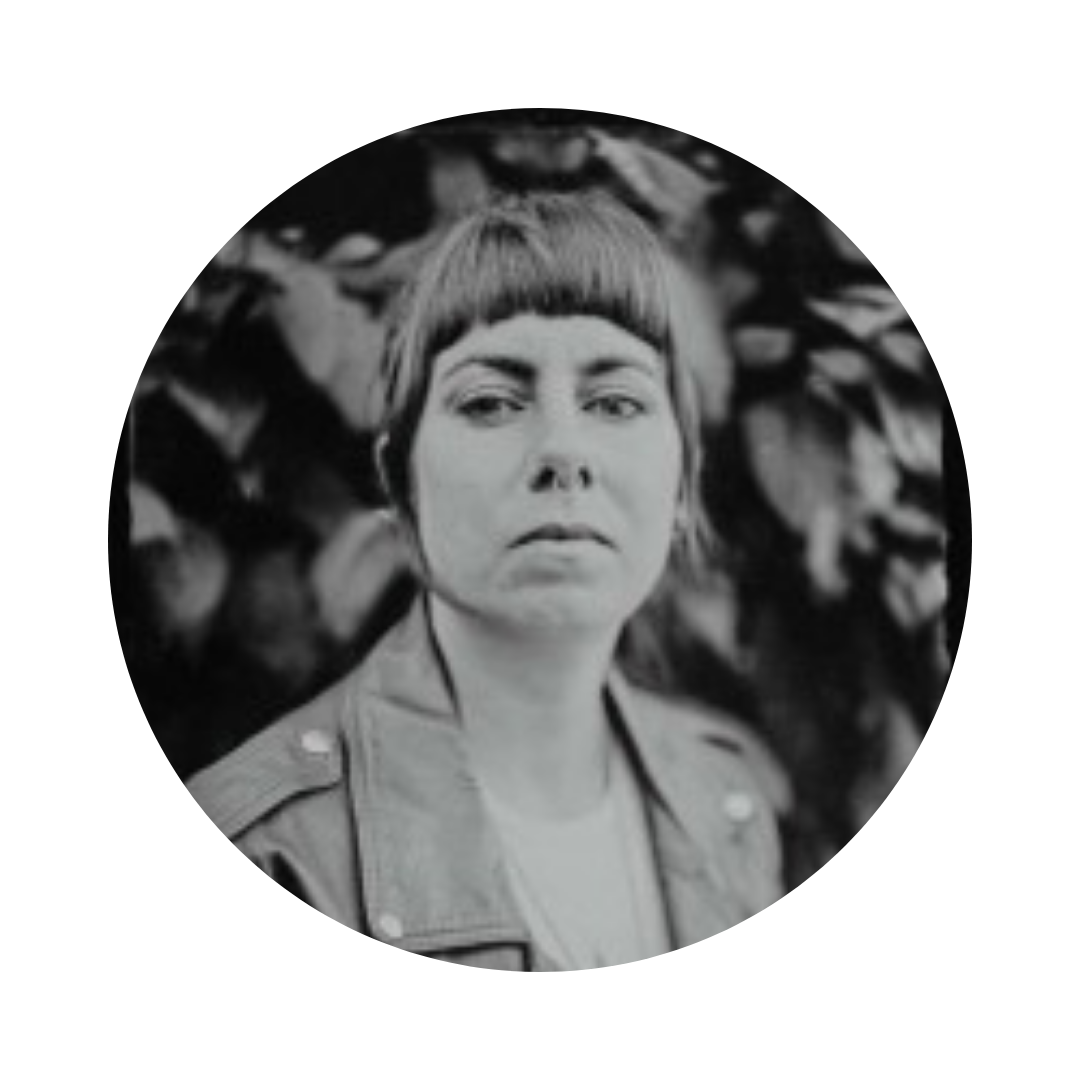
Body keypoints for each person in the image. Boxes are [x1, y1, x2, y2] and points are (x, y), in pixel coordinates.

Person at [185, 189, 789, 970]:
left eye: (616, 402)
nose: (563, 451)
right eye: (492, 402)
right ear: (401, 483)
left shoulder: (724, 797)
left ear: (682, 483)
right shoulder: (269, 846)